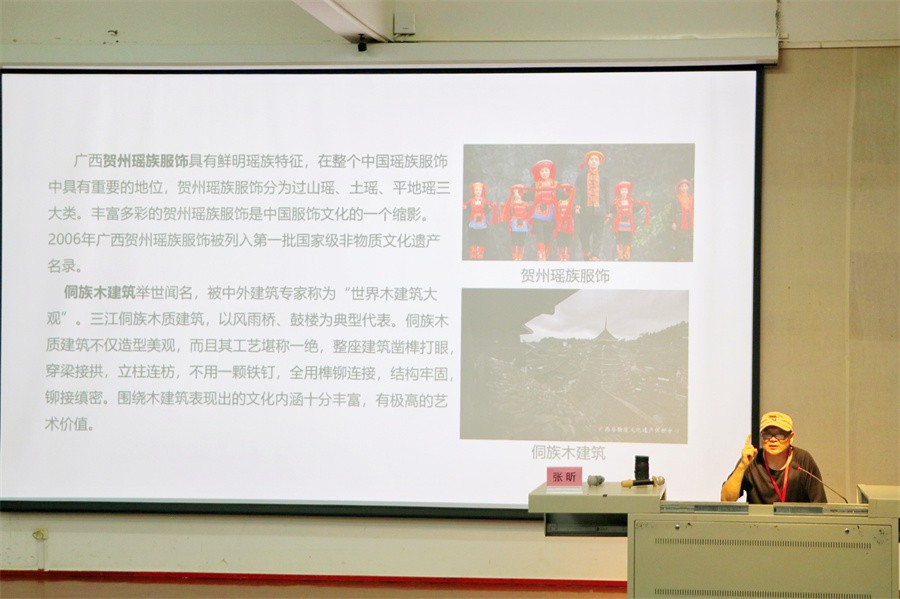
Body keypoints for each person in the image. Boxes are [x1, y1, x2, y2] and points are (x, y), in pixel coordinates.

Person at [721, 411, 827, 503]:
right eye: (767, 434)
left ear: (791, 437)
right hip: (759, 520)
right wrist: (742, 466)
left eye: (780, 435)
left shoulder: (803, 460)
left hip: (796, 520)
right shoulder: (751, 459)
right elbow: (726, 500)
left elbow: (820, 505)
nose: (773, 439)